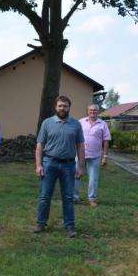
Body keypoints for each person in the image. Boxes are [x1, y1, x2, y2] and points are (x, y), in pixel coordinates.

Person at [34, 96, 85, 238]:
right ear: (56, 107)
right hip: (49, 163)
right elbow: (39, 145)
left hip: (69, 165)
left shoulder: (76, 124)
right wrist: (38, 165)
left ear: (69, 107)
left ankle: (70, 226)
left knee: (68, 197)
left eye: (65, 106)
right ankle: (41, 223)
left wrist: (81, 167)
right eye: (60, 106)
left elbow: (80, 146)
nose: (63, 108)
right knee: (45, 196)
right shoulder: (47, 123)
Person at [74, 104, 111, 207]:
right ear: (87, 111)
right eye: (91, 110)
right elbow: (74, 136)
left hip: (95, 155)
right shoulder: (80, 122)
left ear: (98, 112)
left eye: (95, 110)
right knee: (76, 175)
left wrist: (105, 157)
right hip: (79, 154)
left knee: (93, 178)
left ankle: (92, 198)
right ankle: (74, 197)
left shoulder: (103, 124)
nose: (93, 112)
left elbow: (106, 141)